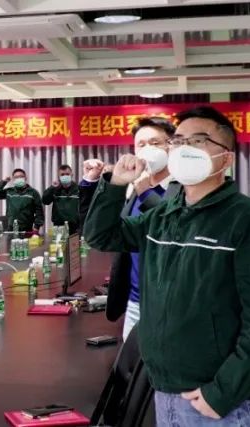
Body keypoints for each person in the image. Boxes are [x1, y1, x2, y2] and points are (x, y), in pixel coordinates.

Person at [84, 106, 250, 424]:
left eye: (199, 140)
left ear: (226, 159)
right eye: (178, 141)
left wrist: (221, 393)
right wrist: (115, 184)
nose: (184, 149)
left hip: (215, 399)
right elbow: (102, 236)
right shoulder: (164, 215)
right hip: (164, 387)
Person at [82, 116, 179, 340]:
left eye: (155, 143)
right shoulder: (134, 187)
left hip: (170, 305)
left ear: (171, 147)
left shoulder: (184, 187)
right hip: (134, 302)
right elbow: (101, 234)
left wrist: (147, 194)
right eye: (141, 145)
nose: (147, 150)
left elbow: (174, 229)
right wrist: (115, 182)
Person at [0, 168, 44, 233]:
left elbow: (39, 211)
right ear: (13, 179)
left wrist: (37, 227)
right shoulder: (9, 191)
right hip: (10, 228)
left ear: (25, 178)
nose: (19, 178)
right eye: (16, 177)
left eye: (21, 176)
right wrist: (4, 181)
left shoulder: (33, 192)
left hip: (27, 228)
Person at [42, 165, 82, 232]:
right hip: (59, 226)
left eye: (67, 174)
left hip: (75, 226)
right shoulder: (55, 189)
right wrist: (52, 188)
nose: (65, 176)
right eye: (62, 174)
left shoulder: (78, 189)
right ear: (59, 176)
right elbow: (45, 201)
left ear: (72, 175)